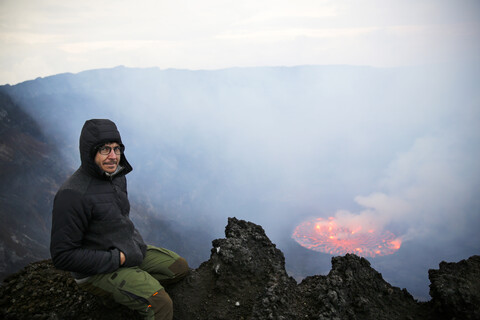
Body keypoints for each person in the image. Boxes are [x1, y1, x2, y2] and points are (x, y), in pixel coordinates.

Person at [50, 119, 188, 320]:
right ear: (90, 152)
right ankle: (132, 291)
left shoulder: (116, 177)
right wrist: (117, 259)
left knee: (178, 268)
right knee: (160, 303)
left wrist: (132, 247)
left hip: (128, 251)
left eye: (117, 149)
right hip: (97, 271)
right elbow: (62, 256)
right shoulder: (72, 194)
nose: (113, 156)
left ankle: (129, 291)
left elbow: (119, 220)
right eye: (105, 150)